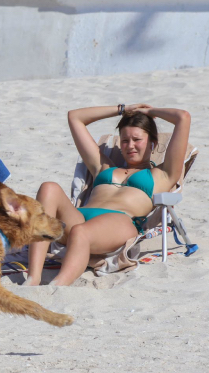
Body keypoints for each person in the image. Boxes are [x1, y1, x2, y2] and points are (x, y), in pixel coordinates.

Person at [26, 104, 191, 287]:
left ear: (152, 143)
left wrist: (149, 112)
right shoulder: (103, 166)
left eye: (137, 139)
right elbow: (75, 117)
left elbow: (182, 117)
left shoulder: (163, 174)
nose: (130, 146)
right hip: (79, 218)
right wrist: (122, 109)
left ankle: (57, 285)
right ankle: (33, 278)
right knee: (49, 187)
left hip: (119, 223)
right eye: (125, 140)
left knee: (80, 232)